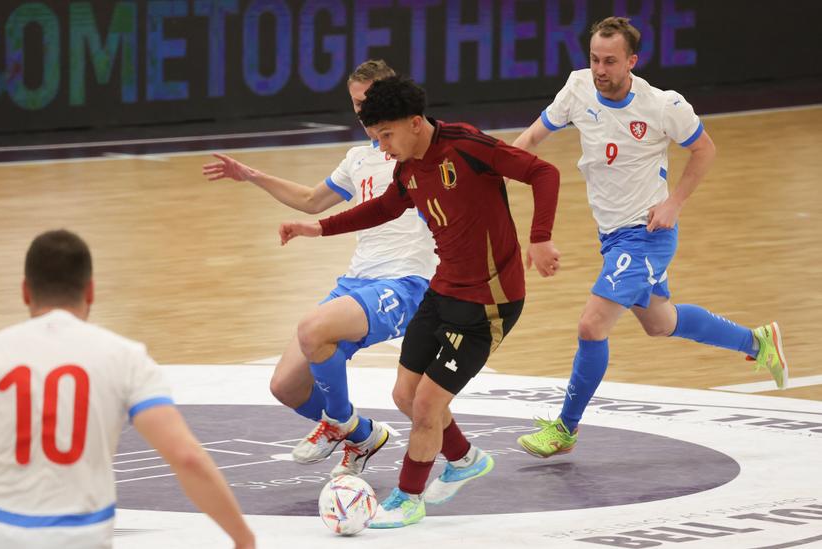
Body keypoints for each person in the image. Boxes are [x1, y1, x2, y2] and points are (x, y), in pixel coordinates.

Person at [279, 75, 562, 528]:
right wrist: (319, 227)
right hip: (442, 290)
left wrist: (541, 239)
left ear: (415, 123)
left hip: (489, 302)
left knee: (428, 405)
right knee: (405, 395)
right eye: (376, 139)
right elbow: (386, 207)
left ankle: (409, 497)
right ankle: (465, 459)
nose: (383, 148)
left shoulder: (466, 145)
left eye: (386, 136)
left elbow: (543, 172)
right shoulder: (407, 167)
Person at [512, 16, 788, 459]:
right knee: (660, 322)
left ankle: (565, 428)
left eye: (610, 61)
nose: (600, 70)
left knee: (591, 324)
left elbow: (705, 149)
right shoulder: (578, 89)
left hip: (645, 235)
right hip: (611, 237)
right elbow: (530, 138)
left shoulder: (662, 105)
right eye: (594, 59)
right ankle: (756, 342)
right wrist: (488, 172)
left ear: (631, 62)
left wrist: (675, 202)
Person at [202, 60, 440, 477]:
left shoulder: (422, 149)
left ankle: (337, 423)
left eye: (368, 101)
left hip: (404, 283)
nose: (361, 112)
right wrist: (251, 175)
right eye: (355, 103)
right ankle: (362, 434)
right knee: (286, 387)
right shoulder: (357, 159)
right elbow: (313, 200)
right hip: (357, 280)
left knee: (313, 328)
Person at [0, 230, 255, 549]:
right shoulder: (124, 356)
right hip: (83, 535)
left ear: (24, 291)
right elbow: (186, 456)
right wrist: (243, 539)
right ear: (90, 291)